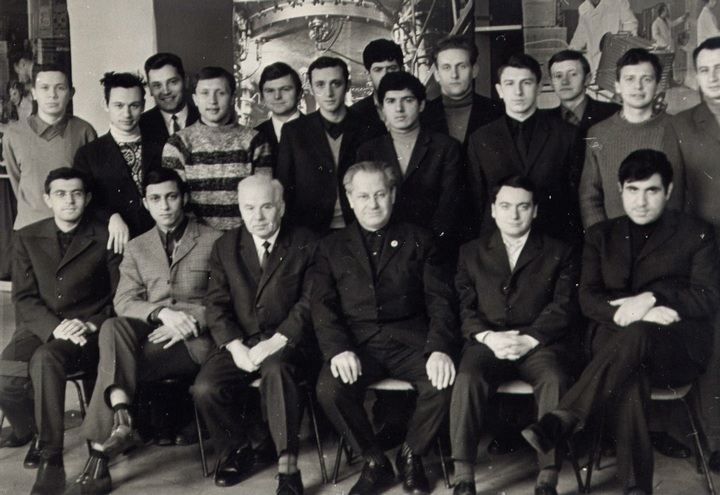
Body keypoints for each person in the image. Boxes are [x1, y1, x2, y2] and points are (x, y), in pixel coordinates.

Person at [522, 149, 720, 495]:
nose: (641, 201)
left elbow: (708, 295)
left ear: (669, 191)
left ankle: (565, 416)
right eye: (632, 190)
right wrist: (631, 313)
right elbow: (588, 298)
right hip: (613, 344)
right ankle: (636, 489)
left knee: (636, 345)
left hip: (675, 348)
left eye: (652, 190)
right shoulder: (600, 235)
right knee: (631, 371)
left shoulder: (696, 232)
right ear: (619, 190)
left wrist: (653, 298)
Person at [62, 168, 220, 495]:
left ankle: (102, 453)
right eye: (156, 199)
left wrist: (187, 320)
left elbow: (224, 298)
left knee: (112, 365)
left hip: (193, 342)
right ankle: (120, 419)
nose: (165, 206)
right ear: (146, 204)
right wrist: (161, 313)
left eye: (171, 197)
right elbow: (124, 300)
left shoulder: (214, 239)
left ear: (184, 198)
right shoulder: (136, 247)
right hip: (152, 335)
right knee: (113, 326)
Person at [312, 161, 458, 495]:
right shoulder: (331, 247)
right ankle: (374, 461)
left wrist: (439, 348)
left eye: (380, 194)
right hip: (358, 343)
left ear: (392, 195)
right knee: (329, 389)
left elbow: (441, 302)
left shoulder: (420, 239)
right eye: (363, 196)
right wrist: (338, 349)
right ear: (350, 199)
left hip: (411, 342)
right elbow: (322, 306)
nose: (373, 204)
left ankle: (411, 454)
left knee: (445, 381)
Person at [450, 175, 580, 495]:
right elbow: (464, 308)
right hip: (489, 341)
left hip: (538, 344)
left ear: (535, 210)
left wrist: (530, 338)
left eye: (523, 206)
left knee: (554, 379)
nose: (514, 214)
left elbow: (564, 307)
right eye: (506, 206)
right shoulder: (470, 252)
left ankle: (547, 477)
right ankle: (464, 476)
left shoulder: (559, 251)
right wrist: (488, 338)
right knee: (467, 377)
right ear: (493, 210)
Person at [192, 175, 318, 494]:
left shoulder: (307, 242)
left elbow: (311, 301)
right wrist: (235, 348)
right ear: (239, 208)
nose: (257, 216)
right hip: (243, 341)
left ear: (281, 208)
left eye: (266, 207)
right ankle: (238, 450)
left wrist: (277, 340)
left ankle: (288, 468)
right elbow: (215, 305)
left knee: (277, 370)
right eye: (249, 208)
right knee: (206, 387)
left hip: (290, 341)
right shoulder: (225, 246)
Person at [0, 167, 120, 495]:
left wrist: (91, 323)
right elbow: (23, 297)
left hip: (86, 330)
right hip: (40, 325)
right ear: (47, 199)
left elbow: (118, 297)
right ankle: (33, 430)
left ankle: (50, 458)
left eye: (77, 193)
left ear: (88, 198)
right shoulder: (27, 236)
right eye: (61, 194)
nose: (69, 201)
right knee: (4, 376)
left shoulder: (104, 236)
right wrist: (54, 328)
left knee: (45, 359)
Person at [666, 35, 720, 474]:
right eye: (705, 70)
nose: (714, 77)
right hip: (708, 255)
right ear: (695, 76)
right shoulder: (680, 125)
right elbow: (677, 203)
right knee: (715, 347)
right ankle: (716, 439)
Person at [466, 54, 581, 245]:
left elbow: (575, 200)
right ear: (499, 90)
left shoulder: (567, 134)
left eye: (526, 83)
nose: (518, 92)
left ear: (539, 88)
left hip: (554, 243)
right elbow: (476, 203)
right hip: (497, 246)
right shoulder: (480, 138)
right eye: (510, 84)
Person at [356, 71, 464, 258]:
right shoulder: (368, 151)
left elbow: (448, 209)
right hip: (383, 251)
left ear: (421, 105)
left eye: (407, 100)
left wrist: (423, 247)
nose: (399, 109)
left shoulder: (447, 147)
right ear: (381, 109)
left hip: (434, 250)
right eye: (391, 101)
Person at [276, 56, 384, 234]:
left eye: (336, 84)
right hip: (309, 232)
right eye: (320, 85)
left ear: (347, 86)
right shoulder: (293, 131)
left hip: (361, 227)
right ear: (311, 89)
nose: (328, 93)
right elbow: (284, 188)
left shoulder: (371, 128)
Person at [579, 48, 684, 229]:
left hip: (669, 238)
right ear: (617, 86)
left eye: (646, 79)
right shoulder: (596, 134)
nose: (638, 87)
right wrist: (602, 238)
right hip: (615, 240)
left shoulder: (679, 129)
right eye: (629, 79)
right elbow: (589, 196)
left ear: (658, 85)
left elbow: (689, 193)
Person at [162, 66, 272, 231]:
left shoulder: (255, 141)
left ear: (233, 98)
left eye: (220, 93)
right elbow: (175, 202)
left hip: (244, 237)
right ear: (195, 99)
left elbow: (262, 199)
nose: (212, 101)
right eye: (205, 93)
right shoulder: (178, 143)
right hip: (195, 238)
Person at [3, 64, 96, 231]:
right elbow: (16, 180)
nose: (52, 95)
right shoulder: (14, 134)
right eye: (44, 88)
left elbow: (91, 183)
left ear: (71, 93)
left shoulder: (84, 131)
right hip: (30, 228)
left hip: (74, 228)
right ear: (33, 93)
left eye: (60, 88)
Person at [73, 72, 155, 254]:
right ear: (106, 104)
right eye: (119, 105)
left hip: (156, 240)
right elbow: (83, 199)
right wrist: (111, 216)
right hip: (111, 244)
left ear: (143, 106)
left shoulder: (161, 146)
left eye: (134, 105)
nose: (126, 114)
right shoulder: (88, 153)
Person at [420, 35, 502, 147]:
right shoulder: (422, 116)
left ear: (474, 71)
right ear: (437, 74)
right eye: (446, 67)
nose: (454, 75)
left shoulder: (497, 112)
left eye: (462, 66)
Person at [139, 53, 200, 169]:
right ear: (150, 89)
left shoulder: (205, 119)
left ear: (186, 81)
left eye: (173, 82)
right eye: (157, 85)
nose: (166, 91)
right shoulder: (140, 125)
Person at [544, 50, 620, 131]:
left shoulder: (614, 113)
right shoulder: (543, 121)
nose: (565, 82)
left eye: (573, 74)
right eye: (558, 76)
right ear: (551, 83)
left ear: (587, 79)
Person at [569, 0, 638, 77]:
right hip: (593, 60)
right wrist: (571, 51)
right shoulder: (583, 8)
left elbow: (630, 24)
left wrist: (622, 47)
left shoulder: (619, 2)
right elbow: (580, 35)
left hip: (615, 58)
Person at [254, 62, 304, 164]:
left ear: (299, 94)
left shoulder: (319, 131)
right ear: (262, 96)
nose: (277, 96)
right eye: (270, 91)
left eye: (285, 89)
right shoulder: (254, 136)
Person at [350, 38, 404, 130]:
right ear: (368, 74)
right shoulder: (353, 116)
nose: (385, 75)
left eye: (391, 68)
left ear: (402, 71)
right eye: (378, 70)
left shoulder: (421, 109)